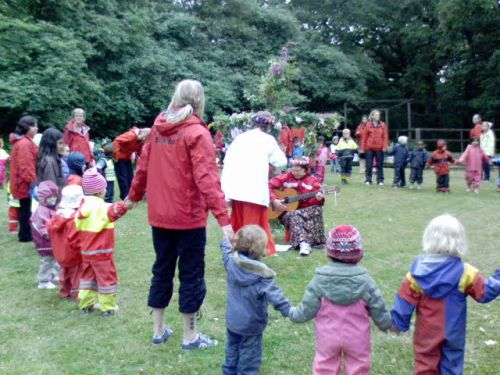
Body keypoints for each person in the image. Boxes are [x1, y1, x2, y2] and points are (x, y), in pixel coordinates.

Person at [126, 80, 233, 349]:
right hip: (187, 218)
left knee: (161, 270)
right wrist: (225, 220)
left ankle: (159, 330)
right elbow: (208, 179)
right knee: (191, 274)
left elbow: (142, 169)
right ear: (199, 101)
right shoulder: (196, 132)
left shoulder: (161, 128)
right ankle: (190, 336)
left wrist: (132, 198)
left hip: (161, 216)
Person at [391, 214, 499, 375]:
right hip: (453, 333)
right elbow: (484, 292)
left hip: (426, 334)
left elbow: (404, 300)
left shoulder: (416, 274)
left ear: (428, 239)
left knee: (425, 366)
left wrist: (398, 323)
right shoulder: (466, 272)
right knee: (452, 366)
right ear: (459, 242)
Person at [289, 225, 392, 374]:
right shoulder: (366, 282)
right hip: (358, 338)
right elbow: (378, 308)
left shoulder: (319, 281)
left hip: (327, 338)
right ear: (359, 253)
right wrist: (386, 324)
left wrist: (293, 314)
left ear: (329, 252)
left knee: (325, 366)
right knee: (359, 367)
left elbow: (306, 309)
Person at [220, 225, 290, 375]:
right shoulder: (263, 275)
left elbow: (226, 251)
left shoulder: (232, 262)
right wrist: (290, 311)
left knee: (231, 354)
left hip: (232, 321)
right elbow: (275, 296)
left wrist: (226, 239)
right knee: (249, 361)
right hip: (252, 326)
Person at [222, 111, 287, 256]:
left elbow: (227, 161)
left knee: (238, 221)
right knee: (254, 224)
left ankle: (235, 247)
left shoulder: (240, 138)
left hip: (236, 188)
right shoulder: (267, 139)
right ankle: (253, 249)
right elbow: (281, 162)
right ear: (268, 127)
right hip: (254, 189)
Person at [76, 169, 128, 316]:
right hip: (102, 254)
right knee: (106, 280)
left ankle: (85, 305)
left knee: (87, 279)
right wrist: (127, 203)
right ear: (99, 192)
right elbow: (116, 210)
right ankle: (108, 307)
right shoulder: (102, 207)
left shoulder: (82, 206)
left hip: (86, 252)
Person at [269, 157, 325, 256]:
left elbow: (313, 204)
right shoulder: (284, 177)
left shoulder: (312, 182)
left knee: (314, 209)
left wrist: (318, 199)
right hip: (284, 211)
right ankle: (304, 243)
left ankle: (304, 243)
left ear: (306, 171)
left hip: (304, 212)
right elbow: (268, 186)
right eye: (293, 170)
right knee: (294, 214)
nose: (295, 173)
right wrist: (274, 200)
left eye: (298, 171)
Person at [47, 185, 84, 300]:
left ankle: (65, 291)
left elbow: (50, 231)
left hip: (59, 253)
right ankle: (77, 294)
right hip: (72, 253)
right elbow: (75, 239)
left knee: (65, 272)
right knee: (77, 274)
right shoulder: (73, 220)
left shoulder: (56, 216)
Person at [9, 116, 38, 242]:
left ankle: (25, 234)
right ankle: (25, 235)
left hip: (21, 181)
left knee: (24, 209)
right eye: (34, 125)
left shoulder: (24, 141)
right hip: (24, 183)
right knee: (25, 209)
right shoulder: (25, 144)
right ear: (27, 127)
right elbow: (26, 166)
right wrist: (33, 181)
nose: (37, 128)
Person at [30, 180, 60, 289]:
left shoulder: (51, 209)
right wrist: (47, 234)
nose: (53, 199)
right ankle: (43, 281)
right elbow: (40, 226)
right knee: (47, 261)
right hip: (45, 242)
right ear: (43, 198)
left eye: (55, 196)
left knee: (53, 259)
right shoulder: (41, 211)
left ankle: (51, 275)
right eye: (50, 197)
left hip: (52, 241)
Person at [113, 126, 150, 200]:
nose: (146, 141)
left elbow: (140, 151)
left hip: (127, 157)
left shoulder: (140, 141)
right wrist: (116, 156)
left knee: (130, 177)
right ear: (144, 135)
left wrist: (145, 161)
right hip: (119, 157)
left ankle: (131, 196)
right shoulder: (131, 135)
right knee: (123, 178)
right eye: (147, 138)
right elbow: (117, 141)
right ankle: (125, 197)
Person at [362, 110, 388, 186]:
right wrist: (363, 148)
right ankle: (368, 180)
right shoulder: (368, 125)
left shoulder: (383, 125)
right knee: (369, 165)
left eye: (378, 115)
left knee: (380, 165)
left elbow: (385, 136)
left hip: (380, 148)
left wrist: (385, 146)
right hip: (369, 148)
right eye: (376, 115)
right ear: (372, 116)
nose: (378, 116)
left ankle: (380, 180)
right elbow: (364, 137)